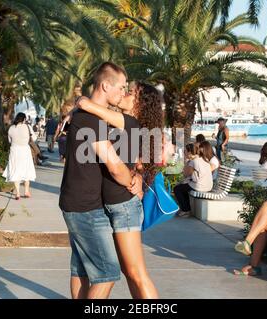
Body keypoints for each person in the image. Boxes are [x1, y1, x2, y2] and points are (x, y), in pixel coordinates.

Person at [59, 62, 142, 299]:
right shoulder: (90, 119)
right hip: (85, 207)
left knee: (82, 269)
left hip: (77, 202)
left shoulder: (91, 115)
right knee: (107, 273)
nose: (124, 93)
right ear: (106, 85)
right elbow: (115, 167)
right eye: (122, 87)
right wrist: (131, 182)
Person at [76, 80, 165, 299]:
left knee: (136, 273)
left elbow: (88, 105)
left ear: (140, 102)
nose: (124, 93)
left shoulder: (130, 122)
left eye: (130, 92)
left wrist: (79, 104)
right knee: (129, 272)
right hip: (114, 204)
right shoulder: (126, 122)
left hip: (124, 206)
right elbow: (142, 163)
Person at [174, 141, 214, 218]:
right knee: (183, 187)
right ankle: (186, 209)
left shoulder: (193, 161)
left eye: (185, 151)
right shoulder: (203, 159)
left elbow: (186, 174)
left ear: (189, 152)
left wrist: (186, 161)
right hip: (208, 185)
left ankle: (186, 210)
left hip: (200, 186)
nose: (184, 153)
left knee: (177, 189)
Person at [2, 112, 36, 200]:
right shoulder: (27, 127)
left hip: (15, 151)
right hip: (25, 151)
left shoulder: (11, 128)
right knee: (26, 170)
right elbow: (34, 138)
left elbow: (10, 140)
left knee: (15, 170)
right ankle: (26, 191)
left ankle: (17, 193)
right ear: (24, 119)